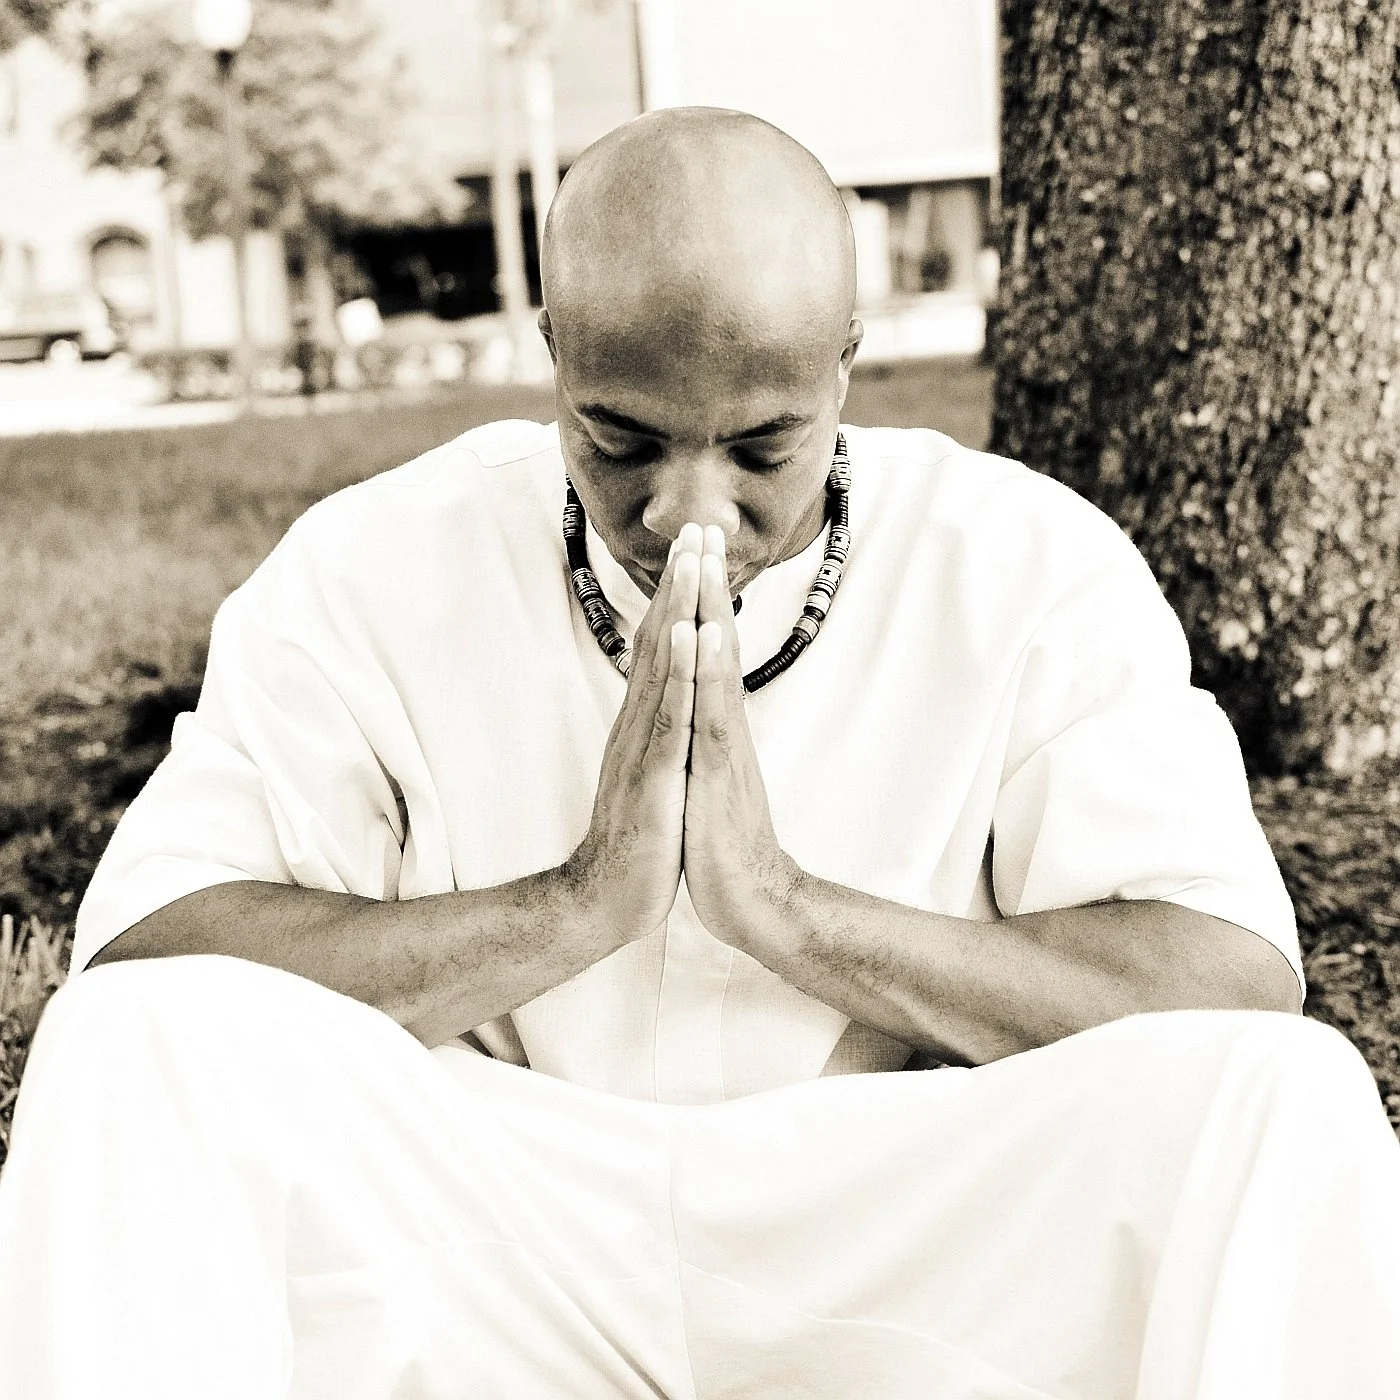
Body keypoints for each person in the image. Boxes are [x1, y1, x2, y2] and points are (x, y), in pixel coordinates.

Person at [1, 108, 1397, 1400]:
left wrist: (784, 909)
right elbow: (151, 950)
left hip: (893, 1224)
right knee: (130, 1052)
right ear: (554, 350)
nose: (689, 510)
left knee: (1284, 1102)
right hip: (497, 1210)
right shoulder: (377, 562)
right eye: (620, 440)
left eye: (763, 448)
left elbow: (1225, 979)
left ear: (846, 360)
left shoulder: (1024, 562)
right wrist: (576, 907)